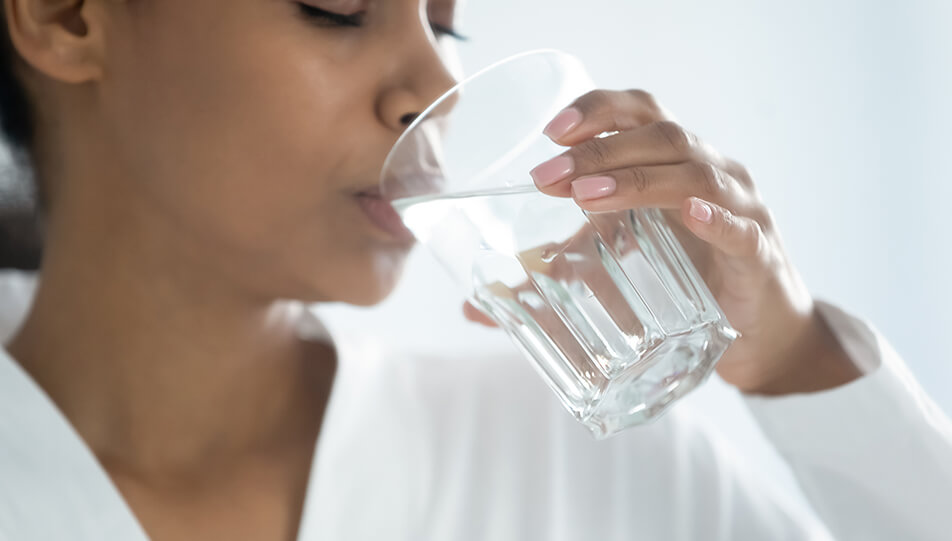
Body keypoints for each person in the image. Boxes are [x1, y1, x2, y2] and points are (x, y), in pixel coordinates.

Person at [0, 0, 950, 540]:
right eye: (337, 6)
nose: (431, 90)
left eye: (445, 23)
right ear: (66, 16)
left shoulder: (572, 469)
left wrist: (794, 362)